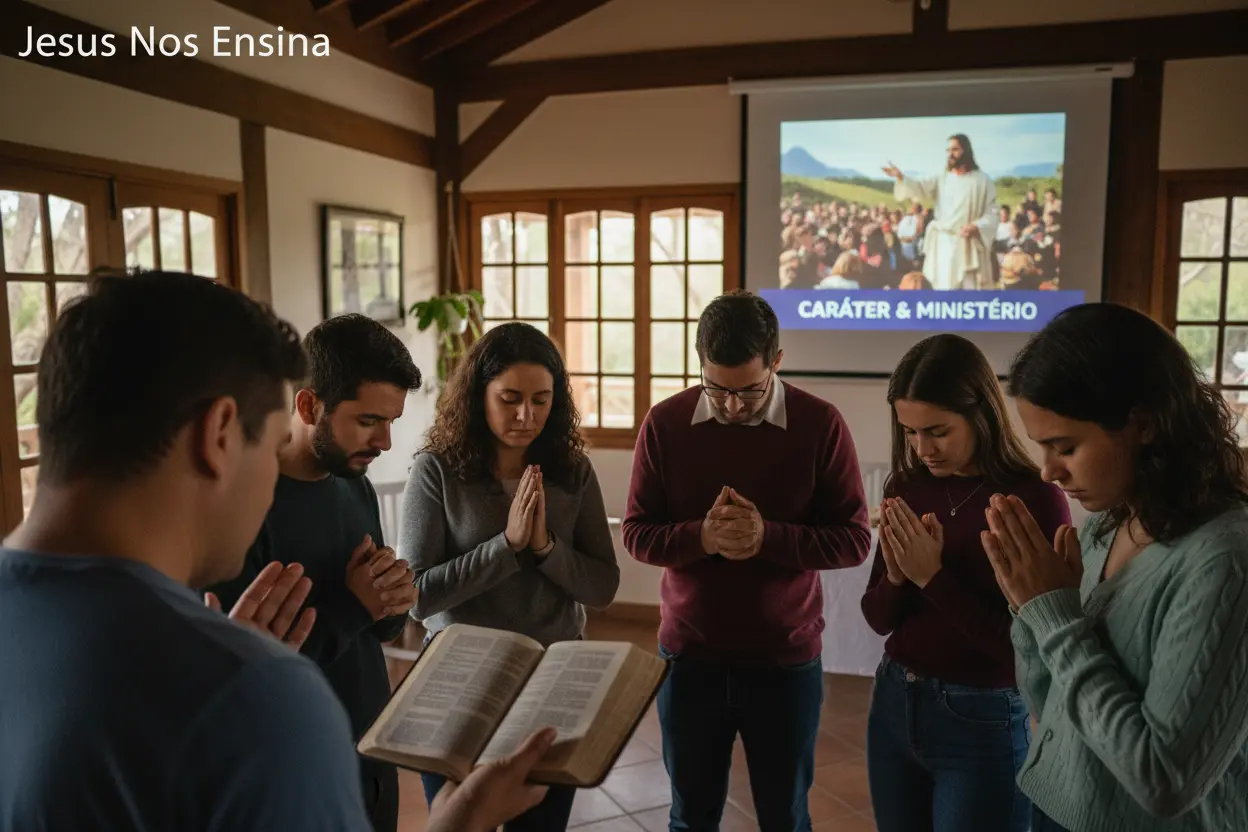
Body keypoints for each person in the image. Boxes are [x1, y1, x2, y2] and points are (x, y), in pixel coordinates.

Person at [0, 269, 559, 831]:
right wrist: (459, 822)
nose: (269, 474)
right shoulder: (249, 694)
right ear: (219, 433)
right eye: (266, 442)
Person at [984, 303, 1248, 831]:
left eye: (1066, 447)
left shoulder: (1224, 561)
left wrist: (1054, 617)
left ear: (1143, 425)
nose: (1048, 471)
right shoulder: (1108, 525)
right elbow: (1053, 705)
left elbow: (1164, 780)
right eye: (1042, 448)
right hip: (1057, 806)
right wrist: (1029, 608)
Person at [622, 290, 872, 831]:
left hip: (784, 662)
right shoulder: (664, 424)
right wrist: (703, 538)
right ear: (699, 365)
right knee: (691, 816)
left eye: (750, 391)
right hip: (688, 661)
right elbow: (638, 536)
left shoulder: (819, 424)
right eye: (717, 389)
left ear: (777, 361)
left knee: (785, 816)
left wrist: (769, 537)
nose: (733, 406)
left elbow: (853, 540)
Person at [203, 312, 422, 832]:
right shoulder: (245, 508)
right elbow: (251, 671)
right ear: (308, 405)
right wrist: (356, 605)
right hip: (296, 767)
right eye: (369, 421)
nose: (385, 441)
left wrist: (393, 601)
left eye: (391, 421)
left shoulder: (355, 482)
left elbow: (377, 628)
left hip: (371, 754)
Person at [402, 321, 619, 832]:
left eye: (542, 400)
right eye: (510, 398)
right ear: (479, 395)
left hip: (550, 680)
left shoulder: (572, 470)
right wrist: (507, 546)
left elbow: (603, 588)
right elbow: (417, 597)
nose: (527, 416)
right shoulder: (437, 469)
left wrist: (544, 548)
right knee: (460, 822)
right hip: (459, 679)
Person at [860, 334, 1070, 832]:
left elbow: (1024, 651)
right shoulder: (906, 485)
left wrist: (932, 576)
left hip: (982, 717)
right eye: (909, 432)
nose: (921, 448)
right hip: (894, 700)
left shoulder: (1033, 499)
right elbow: (877, 618)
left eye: (937, 431)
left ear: (981, 414)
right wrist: (897, 575)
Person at [882, 134, 997, 290]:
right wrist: (901, 177)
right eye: (948, 150)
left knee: (968, 291)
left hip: (969, 244)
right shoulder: (942, 178)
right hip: (944, 244)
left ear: (966, 151)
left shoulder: (982, 180)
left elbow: (992, 212)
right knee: (943, 289)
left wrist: (977, 226)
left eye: (955, 149)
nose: (950, 154)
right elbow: (920, 186)